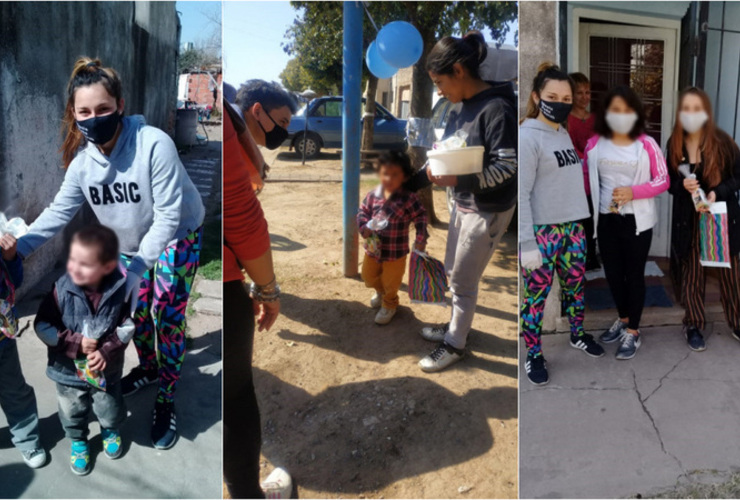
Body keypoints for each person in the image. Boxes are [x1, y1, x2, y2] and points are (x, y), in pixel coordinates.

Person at [16, 57, 205, 450]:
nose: (94, 118)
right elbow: (57, 214)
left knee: (166, 316)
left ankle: (166, 399)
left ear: (120, 104)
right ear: (74, 113)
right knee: (133, 315)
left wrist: (136, 273)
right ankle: (150, 369)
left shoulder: (154, 144)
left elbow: (168, 216)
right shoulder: (83, 164)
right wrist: (16, 249)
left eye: (103, 109)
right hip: (129, 245)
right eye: (84, 111)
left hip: (177, 236)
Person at [405, 31, 518, 373]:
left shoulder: (497, 109)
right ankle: (456, 325)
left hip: (487, 212)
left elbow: (509, 167)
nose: (439, 91)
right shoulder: (457, 109)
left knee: (463, 283)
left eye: (440, 82)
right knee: (453, 272)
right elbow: (443, 157)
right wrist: (406, 186)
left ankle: (455, 344)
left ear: (458, 71)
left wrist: (460, 181)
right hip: (462, 205)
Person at [222, 92, 292, 499]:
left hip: (226, 273)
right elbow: (241, 217)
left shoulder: (238, 130)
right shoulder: (229, 126)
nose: (283, 131)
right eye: (279, 120)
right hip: (230, 281)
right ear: (256, 111)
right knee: (236, 397)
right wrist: (268, 289)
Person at [520, 63, 604, 386]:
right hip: (543, 233)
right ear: (536, 96)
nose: (560, 102)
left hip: (573, 230)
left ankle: (577, 335)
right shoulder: (528, 136)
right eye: (552, 96)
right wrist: (527, 243)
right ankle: (533, 354)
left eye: (566, 97)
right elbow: (523, 193)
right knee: (535, 299)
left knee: (575, 289)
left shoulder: (563, 131)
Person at [34, 225, 134, 475]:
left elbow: (126, 327)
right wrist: (74, 343)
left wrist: (107, 350)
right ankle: (78, 440)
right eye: (73, 261)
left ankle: (110, 429)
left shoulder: (120, 291)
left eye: (85, 264)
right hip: (67, 372)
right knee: (72, 409)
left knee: (109, 404)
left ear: (107, 267)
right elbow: (42, 325)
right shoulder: (61, 290)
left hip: (105, 369)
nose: (75, 269)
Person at [585, 86, 669, 360]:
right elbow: (586, 179)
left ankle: (633, 331)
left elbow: (663, 180)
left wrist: (635, 192)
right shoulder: (595, 142)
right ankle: (622, 318)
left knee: (633, 275)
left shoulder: (646, 143)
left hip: (637, 222)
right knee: (612, 275)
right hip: (606, 219)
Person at [666, 87, 740, 351]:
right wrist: (681, 186)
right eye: (686, 108)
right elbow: (669, 183)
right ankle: (694, 323)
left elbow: (737, 178)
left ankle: (737, 321)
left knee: (730, 273)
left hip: (720, 220)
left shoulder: (723, 141)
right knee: (693, 274)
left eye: (697, 108)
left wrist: (716, 192)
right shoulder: (674, 142)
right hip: (690, 221)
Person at [357, 151, 428, 325]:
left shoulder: (409, 198)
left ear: (404, 177)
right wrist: (364, 226)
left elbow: (420, 217)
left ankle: (390, 304)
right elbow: (362, 212)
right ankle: (380, 292)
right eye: (385, 173)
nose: (389, 178)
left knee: (392, 281)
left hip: (395, 253)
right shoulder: (373, 194)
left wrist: (421, 238)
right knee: (368, 276)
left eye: (395, 175)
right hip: (373, 249)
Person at [0, 234, 46, 469]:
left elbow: (14, 282)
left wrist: (9, 258)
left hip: (2, 339)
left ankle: (28, 439)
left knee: (14, 391)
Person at [568, 72, 599, 270]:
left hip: (594, 176)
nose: (584, 97)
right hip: (573, 177)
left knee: (592, 216)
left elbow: (599, 144)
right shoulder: (566, 119)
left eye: (587, 92)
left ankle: (591, 256)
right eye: (579, 93)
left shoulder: (595, 119)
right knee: (576, 218)